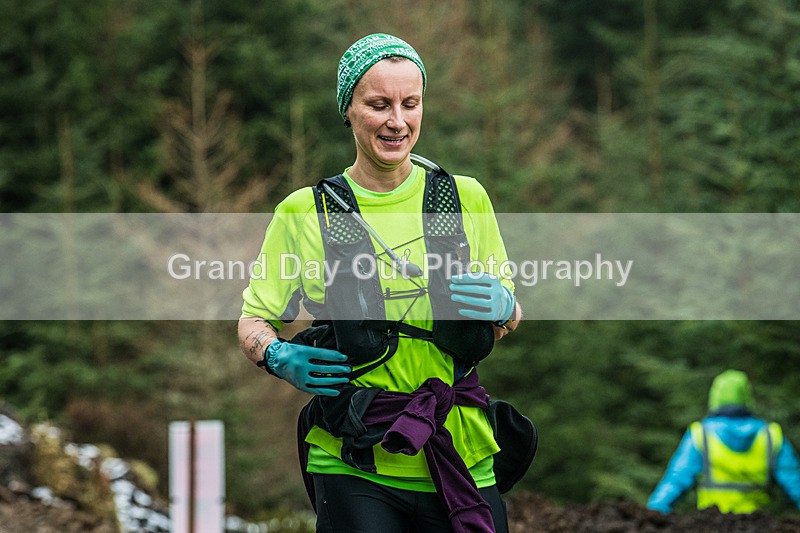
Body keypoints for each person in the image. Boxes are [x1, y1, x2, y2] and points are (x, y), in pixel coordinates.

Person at [238, 33, 529, 533]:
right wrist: (275, 355)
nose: (397, 121)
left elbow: (507, 319)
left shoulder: (462, 199)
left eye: (410, 104)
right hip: (352, 455)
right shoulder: (306, 211)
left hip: (459, 448)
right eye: (378, 104)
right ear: (348, 110)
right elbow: (253, 319)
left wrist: (504, 305)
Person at [647, 369, 800, 514]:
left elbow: (676, 480)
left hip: (711, 524)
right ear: (747, 397)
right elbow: (795, 483)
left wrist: (652, 513)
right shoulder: (771, 435)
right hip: (759, 524)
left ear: (715, 397)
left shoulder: (701, 434)